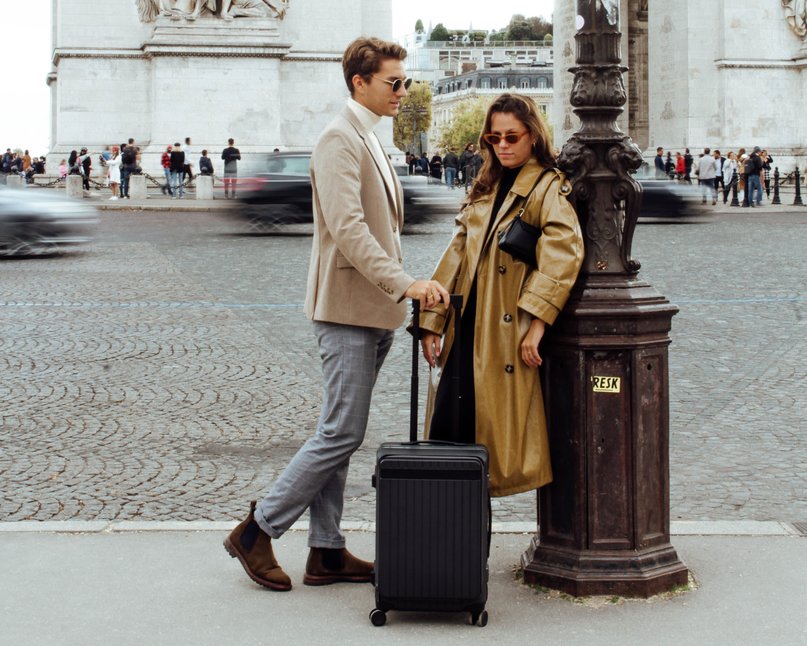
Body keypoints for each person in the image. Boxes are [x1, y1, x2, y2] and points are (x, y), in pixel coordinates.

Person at [223, 36, 449, 592]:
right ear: (360, 82)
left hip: (372, 311)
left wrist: (402, 298)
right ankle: (258, 529)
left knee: (340, 431)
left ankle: (326, 550)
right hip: (348, 309)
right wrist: (407, 286)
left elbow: (384, 229)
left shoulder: (367, 138)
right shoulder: (338, 141)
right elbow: (350, 232)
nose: (403, 91)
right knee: (341, 432)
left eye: (405, 82)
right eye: (394, 82)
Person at [418, 93, 584, 498]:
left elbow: (563, 256)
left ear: (532, 136)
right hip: (464, 329)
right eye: (494, 138)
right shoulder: (484, 185)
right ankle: (448, 543)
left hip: (504, 331)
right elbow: (455, 256)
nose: (504, 146)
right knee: (450, 438)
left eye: (512, 136)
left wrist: (537, 325)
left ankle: (470, 547)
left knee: (488, 448)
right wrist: (431, 322)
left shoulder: (548, 186)